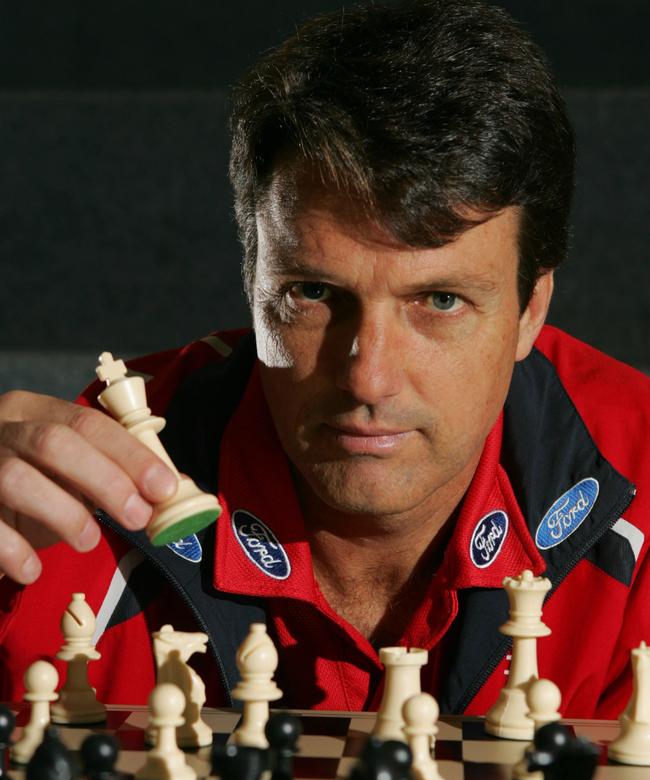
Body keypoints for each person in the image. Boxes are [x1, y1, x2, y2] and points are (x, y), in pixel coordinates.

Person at [0, 0, 648, 718]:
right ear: (251, 280)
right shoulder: (82, 489)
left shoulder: (641, 474)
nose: (368, 376)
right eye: (312, 293)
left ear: (531, 310)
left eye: (438, 301)